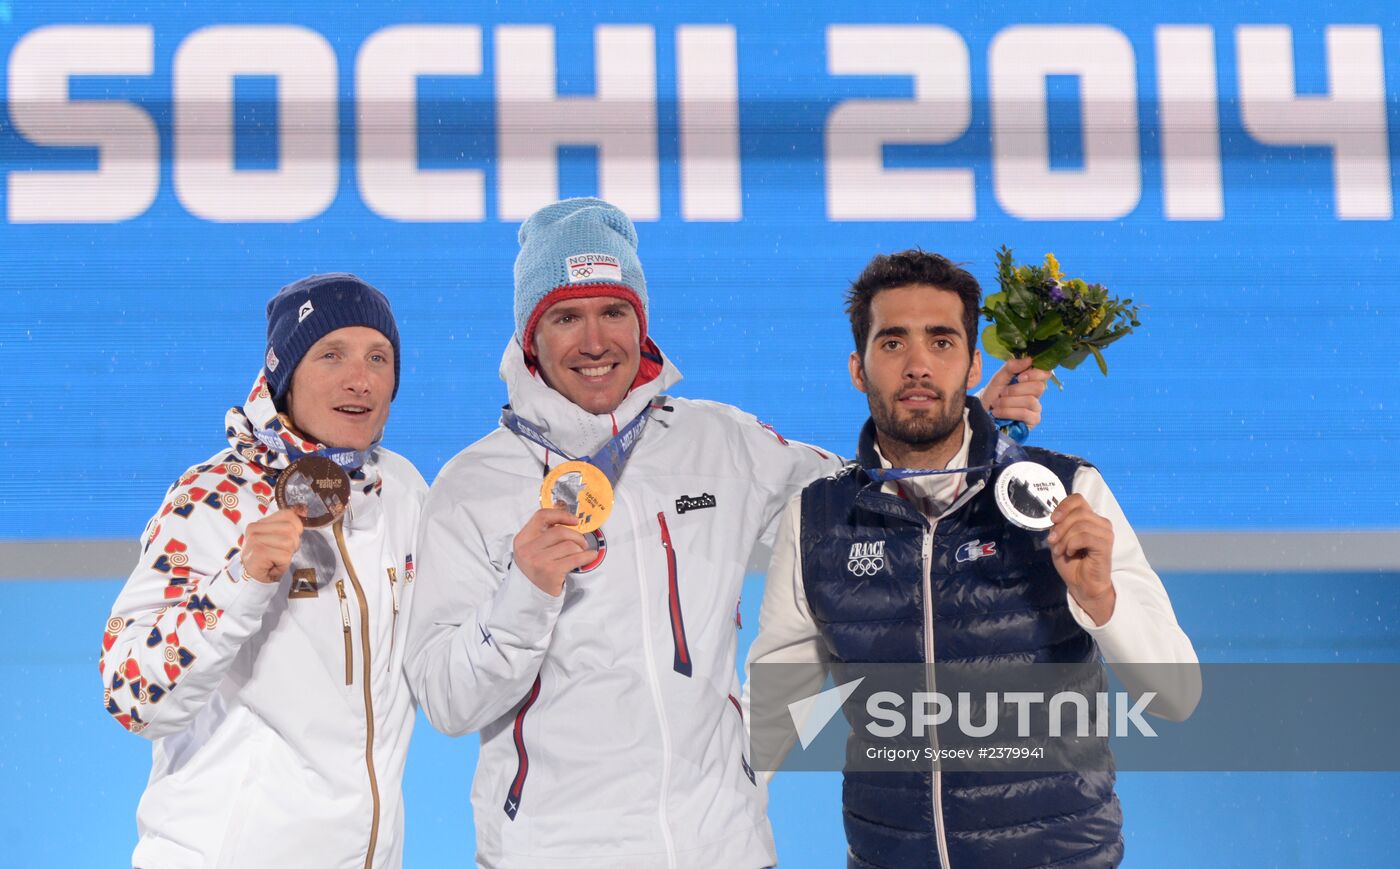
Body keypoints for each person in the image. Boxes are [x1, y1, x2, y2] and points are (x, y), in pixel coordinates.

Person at [403, 199, 1046, 868]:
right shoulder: (471, 487)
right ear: (530, 335)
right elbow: (448, 702)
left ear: (641, 322)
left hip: (722, 846)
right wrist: (524, 594)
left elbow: (876, 504)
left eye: (614, 312)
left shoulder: (718, 442)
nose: (595, 343)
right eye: (566, 317)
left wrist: (968, 429)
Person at [744, 250, 1202, 868]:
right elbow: (769, 718)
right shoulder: (820, 520)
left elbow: (1177, 693)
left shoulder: (1067, 493)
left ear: (973, 362)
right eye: (892, 343)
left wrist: (1102, 603)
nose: (917, 365)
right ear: (859, 368)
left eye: (941, 341)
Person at [100, 274, 427, 869]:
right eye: (332, 354)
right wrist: (241, 581)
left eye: (378, 357)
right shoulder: (213, 499)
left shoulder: (400, 491)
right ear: (284, 376)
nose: (361, 379)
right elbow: (131, 693)